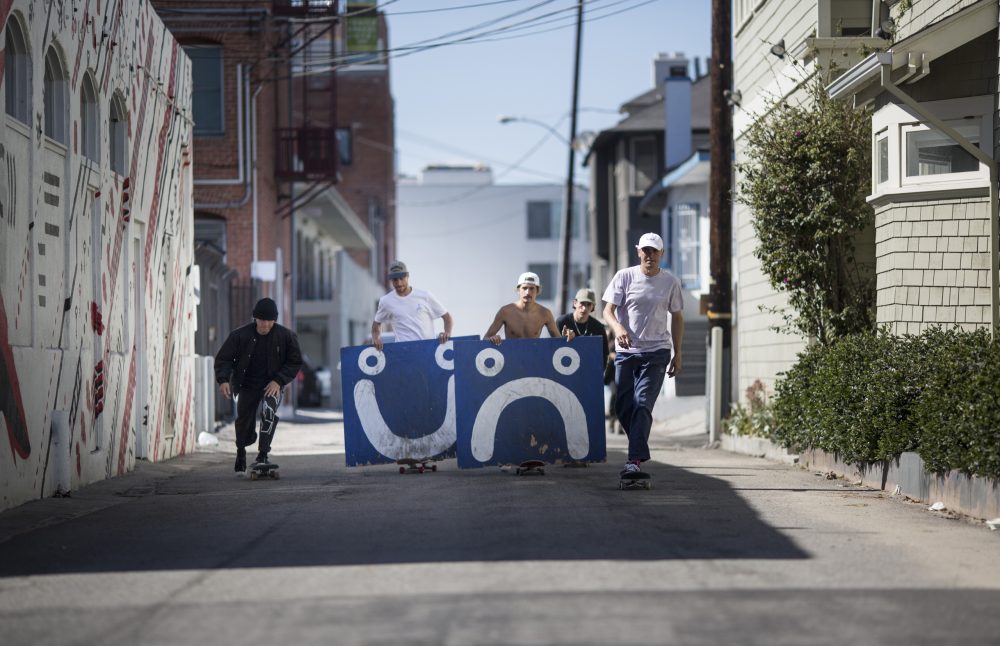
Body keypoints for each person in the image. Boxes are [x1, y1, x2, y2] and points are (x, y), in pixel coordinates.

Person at [602, 232, 684, 477]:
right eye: (645, 250)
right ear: (638, 251)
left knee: (643, 403)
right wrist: (618, 328)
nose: (649, 255)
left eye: (654, 251)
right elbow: (608, 310)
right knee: (623, 405)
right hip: (627, 352)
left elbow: (677, 317)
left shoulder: (670, 282)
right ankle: (638, 443)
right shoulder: (624, 277)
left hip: (657, 351)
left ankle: (634, 460)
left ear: (662, 254)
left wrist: (678, 353)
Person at [214, 297, 303, 474]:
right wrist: (223, 380)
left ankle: (263, 454)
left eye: (269, 321)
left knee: (269, 411)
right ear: (255, 319)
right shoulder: (240, 335)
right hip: (246, 384)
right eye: (261, 320)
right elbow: (224, 358)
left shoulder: (286, 336)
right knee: (244, 421)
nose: (265, 324)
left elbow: (295, 362)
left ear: (274, 321)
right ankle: (241, 451)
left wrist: (279, 380)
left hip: (272, 384)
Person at [371, 260, 453, 351]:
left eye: (401, 278)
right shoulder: (386, 301)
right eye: (395, 279)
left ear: (407, 276)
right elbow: (376, 323)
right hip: (403, 353)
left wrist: (447, 333)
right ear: (391, 280)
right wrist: (376, 338)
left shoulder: (425, 296)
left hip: (428, 351)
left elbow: (447, 317)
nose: (398, 283)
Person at [483, 271, 573, 344]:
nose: (527, 292)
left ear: (537, 291)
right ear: (518, 290)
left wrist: (567, 338)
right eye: (524, 288)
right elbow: (485, 339)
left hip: (533, 361)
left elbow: (559, 342)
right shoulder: (505, 311)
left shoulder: (545, 313)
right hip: (511, 359)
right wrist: (493, 339)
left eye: (531, 288)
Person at [556, 287, 609, 369]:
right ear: (575, 303)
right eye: (582, 303)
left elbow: (604, 354)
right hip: (565, 367)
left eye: (588, 304)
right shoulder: (562, 322)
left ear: (593, 307)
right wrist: (564, 339)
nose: (584, 308)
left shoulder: (598, 327)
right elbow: (553, 348)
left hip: (588, 369)